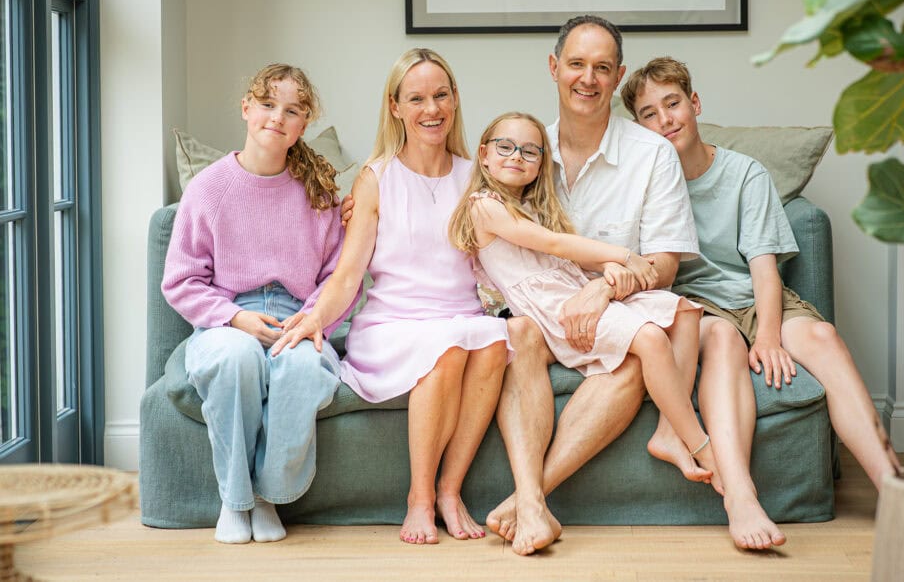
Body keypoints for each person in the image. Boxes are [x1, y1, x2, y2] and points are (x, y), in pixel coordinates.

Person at [620, 56, 899, 550]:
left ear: (694, 103)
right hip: (695, 307)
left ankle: (896, 491)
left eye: (673, 103)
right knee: (723, 338)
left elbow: (764, 269)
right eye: (648, 113)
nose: (665, 120)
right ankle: (741, 497)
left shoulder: (744, 173)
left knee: (822, 335)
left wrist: (768, 335)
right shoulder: (643, 184)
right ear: (638, 126)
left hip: (752, 297)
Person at [272, 48, 511, 546]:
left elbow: (503, 255)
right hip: (393, 325)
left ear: (455, 99)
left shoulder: (476, 176)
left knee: (492, 340)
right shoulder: (375, 178)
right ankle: (419, 498)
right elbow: (348, 272)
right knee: (445, 349)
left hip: (461, 314)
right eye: (417, 97)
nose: (432, 109)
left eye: (441, 95)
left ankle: (450, 490)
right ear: (396, 106)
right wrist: (314, 318)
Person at [485, 16, 701, 556]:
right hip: (538, 310)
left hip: (611, 306)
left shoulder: (652, 154)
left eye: (602, 68)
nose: (588, 78)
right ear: (554, 68)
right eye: (577, 64)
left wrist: (603, 289)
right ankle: (530, 504)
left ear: (618, 75)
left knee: (639, 352)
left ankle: (528, 499)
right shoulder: (525, 150)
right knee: (522, 336)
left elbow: (665, 265)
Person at [450, 111, 719, 488]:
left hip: (571, 289)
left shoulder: (532, 206)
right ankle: (700, 443)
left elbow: (571, 255)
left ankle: (668, 433)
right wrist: (624, 255)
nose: (516, 157)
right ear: (484, 155)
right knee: (652, 339)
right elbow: (554, 244)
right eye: (505, 147)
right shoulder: (484, 206)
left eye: (530, 151)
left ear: (541, 163)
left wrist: (611, 268)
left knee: (683, 311)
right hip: (552, 310)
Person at [162, 63, 349, 545]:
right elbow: (181, 281)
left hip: (301, 315)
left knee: (302, 370)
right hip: (227, 317)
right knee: (235, 358)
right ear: (247, 109)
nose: (277, 117)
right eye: (267, 105)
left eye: (292, 111)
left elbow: (337, 279)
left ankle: (267, 495)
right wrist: (235, 318)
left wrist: (310, 321)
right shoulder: (209, 188)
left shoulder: (319, 194)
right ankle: (235, 499)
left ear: (303, 125)